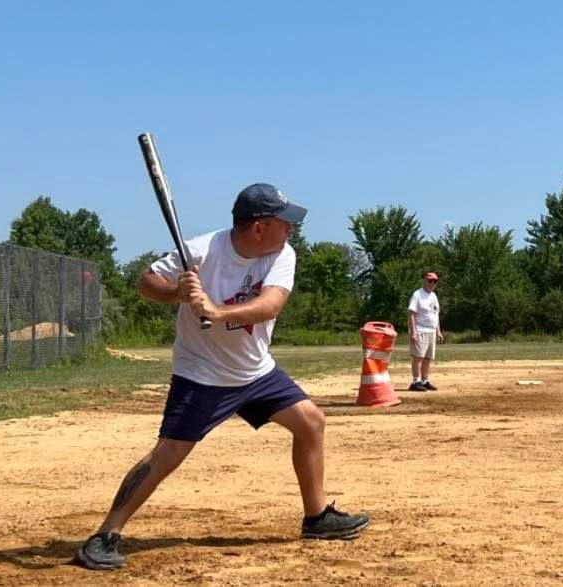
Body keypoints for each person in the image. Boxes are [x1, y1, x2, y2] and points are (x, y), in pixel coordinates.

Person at [74, 184, 368, 571]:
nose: (292, 229)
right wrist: (177, 293)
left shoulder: (282, 253)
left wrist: (217, 311)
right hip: (203, 373)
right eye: (285, 223)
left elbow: (271, 304)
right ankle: (105, 535)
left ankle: (317, 518)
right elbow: (145, 282)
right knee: (168, 455)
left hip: (256, 372)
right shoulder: (200, 250)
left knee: (311, 422)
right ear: (260, 227)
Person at [407, 272, 444, 391]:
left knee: (428, 358)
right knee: (418, 357)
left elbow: (436, 314)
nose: (432, 283)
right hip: (420, 330)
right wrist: (413, 332)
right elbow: (411, 314)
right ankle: (415, 381)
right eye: (430, 281)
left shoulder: (434, 296)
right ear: (424, 280)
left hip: (431, 331)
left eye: (435, 281)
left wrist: (438, 331)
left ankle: (424, 380)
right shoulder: (417, 294)